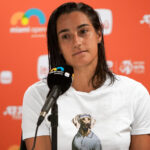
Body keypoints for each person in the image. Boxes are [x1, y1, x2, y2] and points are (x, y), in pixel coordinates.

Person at [22, 2, 150, 150]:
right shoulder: (39, 95)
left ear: (99, 35)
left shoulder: (135, 93)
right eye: (66, 36)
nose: (77, 42)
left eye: (83, 31)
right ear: (58, 47)